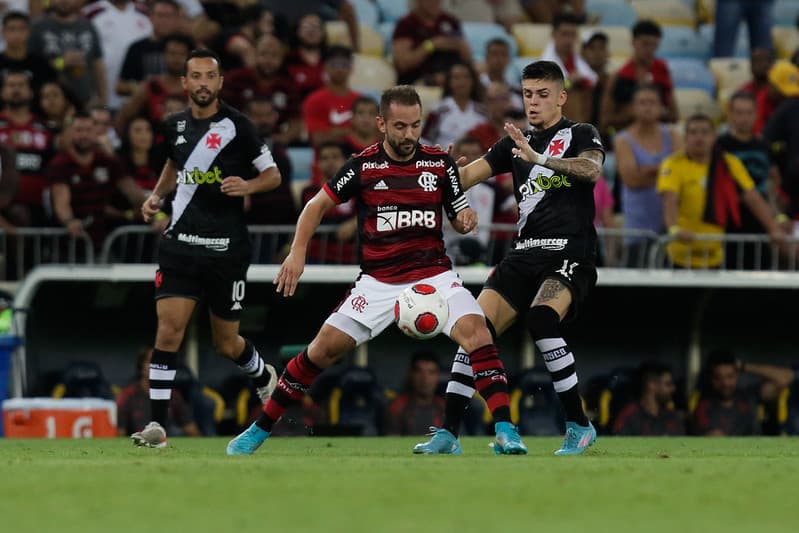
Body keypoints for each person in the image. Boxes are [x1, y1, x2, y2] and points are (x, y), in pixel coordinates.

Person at [226, 85, 526, 456]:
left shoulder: (439, 163)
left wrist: (464, 220)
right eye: (400, 126)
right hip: (378, 280)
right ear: (381, 124)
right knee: (320, 351)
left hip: (433, 274)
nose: (408, 135)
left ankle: (505, 430)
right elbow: (316, 205)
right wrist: (297, 253)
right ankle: (258, 430)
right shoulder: (363, 166)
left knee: (478, 333)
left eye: (415, 125)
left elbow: (458, 213)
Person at [422, 60, 604, 456]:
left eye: (542, 94)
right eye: (527, 94)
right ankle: (448, 434)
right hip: (522, 254)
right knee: (474, 330)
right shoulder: (512, 144)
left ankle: (578, 425)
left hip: (569, 252)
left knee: (541, 319)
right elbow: (466, 177)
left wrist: (537, 159)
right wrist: (439, 171)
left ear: (561, 97)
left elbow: (591, 171)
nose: (533, 102)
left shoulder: (580, 133)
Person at [132, 48, 282, 448]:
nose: (202, 83)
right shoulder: (172, 126)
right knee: (167, 331)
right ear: (184, 83)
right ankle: (157, 428)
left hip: (226, 250)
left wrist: (247, 185)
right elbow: (174, 165)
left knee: (225, 344)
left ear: (219, 82)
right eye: (194, 76)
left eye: (209, 77)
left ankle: (264, 375)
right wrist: (156, 196)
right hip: (180, 244)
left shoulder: (239, 126)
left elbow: (273, 175)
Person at [656, 114, 785, 269]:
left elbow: (752, 197)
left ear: (714, 137)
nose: (699, 138)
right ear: (685, 137)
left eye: (705, 133)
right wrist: (674, 228)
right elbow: (670, 199)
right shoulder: (673, 164)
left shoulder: (728, 163)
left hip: (714, 256)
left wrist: (773, 228)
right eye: (694, 132)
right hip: (678, 256)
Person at [49, 111, 147, 248]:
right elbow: (61, 201)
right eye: (79, 130)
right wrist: (69, 221)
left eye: (88, 130)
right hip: (70, 240)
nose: (84, 135)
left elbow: (133, 192)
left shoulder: (107, 161)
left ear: (95, 133)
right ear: (70, 133)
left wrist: (157, 215)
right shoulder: (61, 164)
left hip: (105, 236)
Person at [717, 91, 785, 269]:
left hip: (760, 222)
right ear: (730, 115)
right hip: (729, 220)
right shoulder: (719, 146)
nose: (743, 118)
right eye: (739, 113)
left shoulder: (764, 146)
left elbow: (773, 182)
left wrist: (776, 216)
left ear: (756, 114)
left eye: (748, 113)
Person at [614, 85, 680, 266]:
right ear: (633, 108)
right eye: (642, 103)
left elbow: (680, 174)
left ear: (661, 107)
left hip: (670, 226)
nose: (647, 107)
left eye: (652, 103)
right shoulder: (623, 139)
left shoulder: (673, 134)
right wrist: (665, 173)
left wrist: (645, 170)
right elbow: (631, 180)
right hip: (637, 228)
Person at [601, 20, 678, 135]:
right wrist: (631, 114)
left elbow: (674, 115)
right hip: (627, 136)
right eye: (645, 44)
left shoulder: (663, 72)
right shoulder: (619, 77)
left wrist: (654, 112)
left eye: (654, 45)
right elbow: (605, 120)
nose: (649, 50)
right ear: (633, 42)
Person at [119, 347, 201, 438]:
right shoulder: (128, 394)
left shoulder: (172, 394)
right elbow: (119, 433)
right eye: (152, 362)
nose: (156, 368)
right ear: (141, 366)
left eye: (160, 364)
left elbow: (191, 429)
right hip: (137, 442)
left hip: (167, 442)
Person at [391, 0, 472, 87]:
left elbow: (468, 59)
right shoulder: (406, 24)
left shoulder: (450, 21)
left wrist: (457, 45)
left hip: (451, 75)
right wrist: (431, 45)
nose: (434, 2)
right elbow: (403, 64)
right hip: (420, 79)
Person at [540, 12, 597, 124]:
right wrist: (569, 83)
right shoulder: (544, 63)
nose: (569, 40)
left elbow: (593, 79)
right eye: (564, 34)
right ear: (553, 34)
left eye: (572, 35)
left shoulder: (576, 59)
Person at [692, 349, 760, 435]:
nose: (725, 383)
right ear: (711, 379)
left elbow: (782, 379)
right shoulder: (704, 406)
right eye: (718, 378)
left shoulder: (749, 395)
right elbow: (713, 436)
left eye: (730, 376)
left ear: (737, 374)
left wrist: (743, 366)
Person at [613, 362, 685, 436]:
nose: (673, 388)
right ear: (651, 384)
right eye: (668, 384)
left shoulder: (672, 416)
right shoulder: (629, 416)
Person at [385, 351, 446, 436]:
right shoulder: (398, 406)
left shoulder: (444, 407)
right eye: (419, 371)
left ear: (438, 376)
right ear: (410, 374)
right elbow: (391, 439)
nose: (425, 379)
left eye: (431, 372)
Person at [0, 11, 57, 92]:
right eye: (11, 29)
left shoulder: (41, 63)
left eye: (21, 29)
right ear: (3, 32)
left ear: (28, 32)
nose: (17, 34)